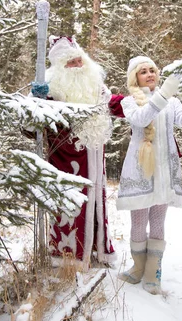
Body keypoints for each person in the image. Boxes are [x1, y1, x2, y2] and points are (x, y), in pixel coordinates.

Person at [30, 35, 124, 267]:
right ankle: (67, 259)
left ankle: (96, 250)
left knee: (95, 206)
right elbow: (31, 127)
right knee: (70, 208)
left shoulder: (96, 85)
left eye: (79, 60)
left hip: (94, 156)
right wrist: (37, 100)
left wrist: (143, 102)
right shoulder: (49, 88)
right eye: (71, 62)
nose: (77, 65)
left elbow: (114, 103)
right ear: (61, 66)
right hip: (65, 163)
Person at [116, 56, 182, 294]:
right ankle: (138, 268)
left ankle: (154, 272)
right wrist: (163, 95)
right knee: (138, 221)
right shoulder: (129, 101)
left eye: (152, 70)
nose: (150, 74)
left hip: (165, 169)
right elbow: (142, 118)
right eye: (143, 71)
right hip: (141, 170)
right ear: (135, 77)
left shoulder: (172, 101)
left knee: (157, 222)